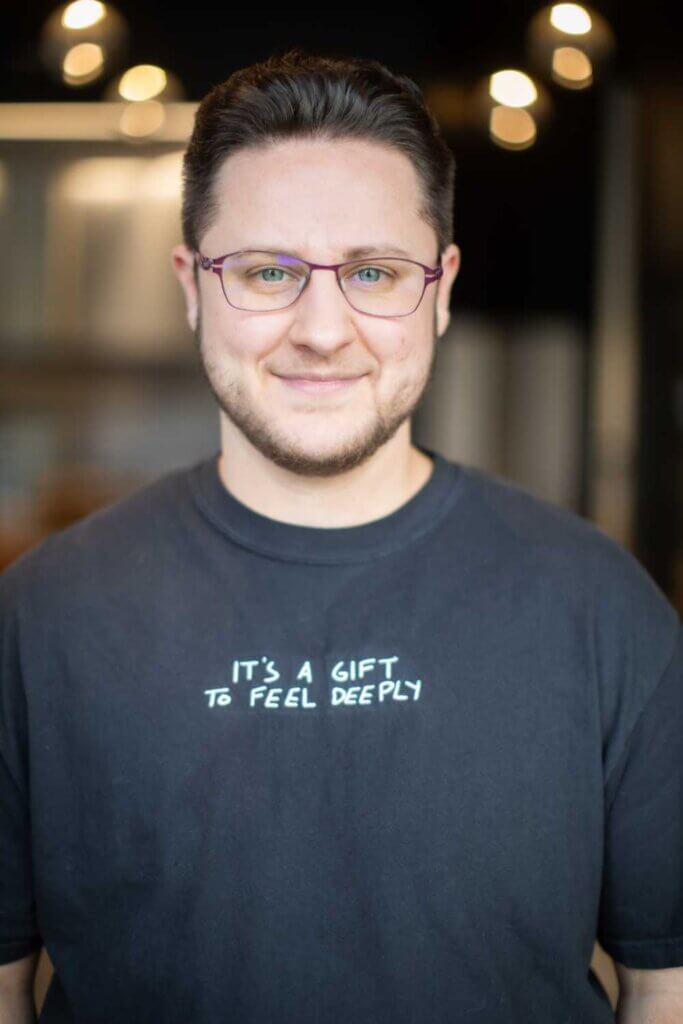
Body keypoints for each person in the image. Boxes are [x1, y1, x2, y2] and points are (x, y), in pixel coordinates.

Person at [0, 48, 681, 1024]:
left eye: (372, 270)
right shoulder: (41, 615)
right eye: (267, 270)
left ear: (440, 288)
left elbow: (666, 983)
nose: (322, 328)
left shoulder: (600, 607)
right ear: (192, 285)